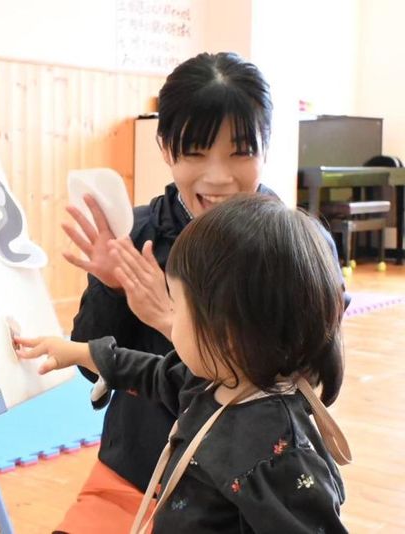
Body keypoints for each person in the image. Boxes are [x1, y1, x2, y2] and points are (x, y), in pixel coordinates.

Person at [18, 194, 350, 533]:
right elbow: (152, 373)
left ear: (227, 332)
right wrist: (79, 352)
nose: (169, 316)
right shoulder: (219, 380)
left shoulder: (278, 455)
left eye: (175, 306)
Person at [53, 51, 279, 533]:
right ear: (165, 148)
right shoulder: (136, 235)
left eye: (240, 152)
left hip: (250, 490)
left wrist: (168, 317)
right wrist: (112, 288)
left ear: (266, 146)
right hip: (136, 473)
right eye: (195, 152)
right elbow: (88, 365)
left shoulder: (294, 246)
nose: (218, 176)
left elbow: (295, 381)